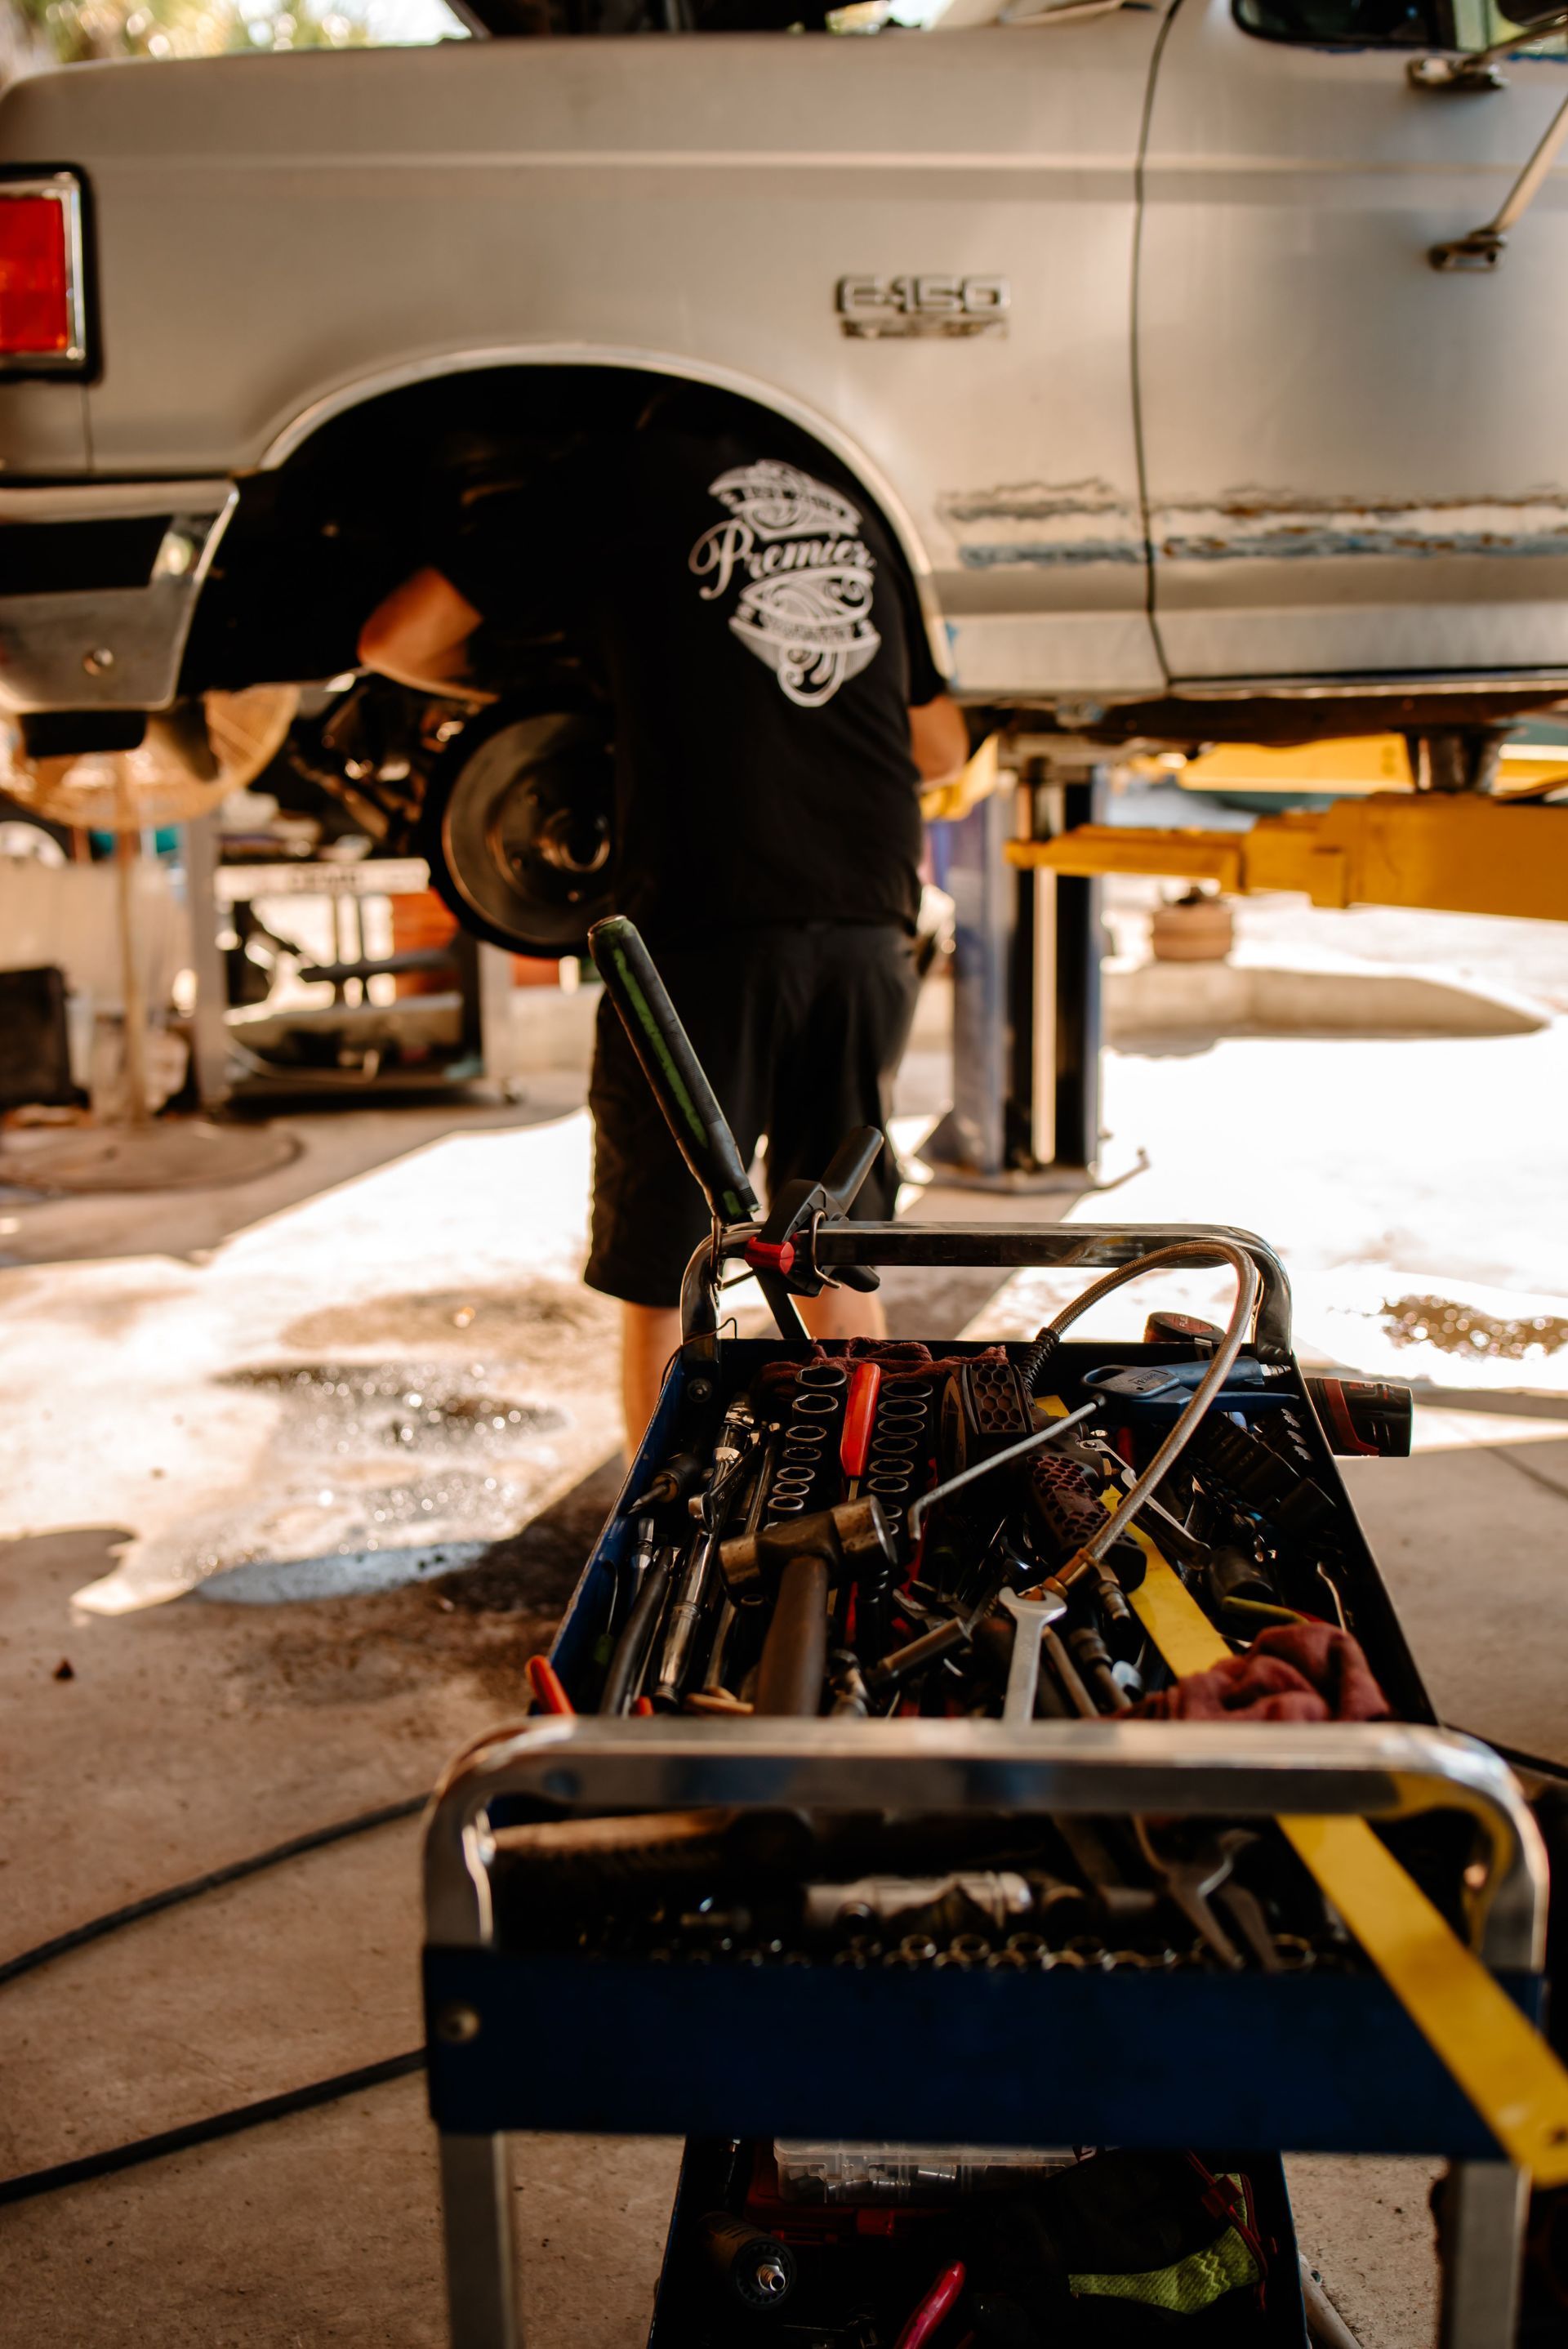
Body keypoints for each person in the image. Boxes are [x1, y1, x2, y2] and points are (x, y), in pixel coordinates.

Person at [359, 392, 969, 1446]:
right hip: (868, 913)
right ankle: (856, 1513)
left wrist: (555, 697)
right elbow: (944, 747)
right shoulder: (854, 500)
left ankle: (661, 1526)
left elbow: (391, 639)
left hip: (705, 916)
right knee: (838, 1250)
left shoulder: (604, 477)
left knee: (672, 1272)